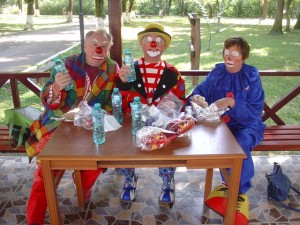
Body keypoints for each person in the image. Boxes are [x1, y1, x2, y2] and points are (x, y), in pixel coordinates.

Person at [25, 29, 119, 225]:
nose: (98, 47)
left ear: (109, 49)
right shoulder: (67, 65)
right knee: (44, 173)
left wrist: (126, 83)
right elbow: (48, 101)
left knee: (98, 161)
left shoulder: (112, 68)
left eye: (104, 44)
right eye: (93, 43)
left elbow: (116, 97)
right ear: (84, 46)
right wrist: (56, 88)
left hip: (90, 126)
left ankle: (83, 186)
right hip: (59, 124)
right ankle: (34, 219)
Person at [188, 37, 265, 225]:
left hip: (246, 124)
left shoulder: (252, 77)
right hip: (219, 123)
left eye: (235, 53)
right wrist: (196, 96)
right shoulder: (217, 72)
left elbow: (255, 111)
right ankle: (228, 185)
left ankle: (238, 192)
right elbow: (201, 89)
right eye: (226, 52)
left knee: (240, 143)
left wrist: (233, 103)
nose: (229, 57)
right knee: (207, 141)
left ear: (244, 56)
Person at [116, 23, 186, 203]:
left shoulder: (172, 73)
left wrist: (173, 106)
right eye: (148, 40)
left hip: (160, 122)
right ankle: (129, 179)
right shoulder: (130, 69)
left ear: (164, 47)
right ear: (142, 45)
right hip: (133, 120)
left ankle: (167, 182)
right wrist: (122, 82)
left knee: (167, 152)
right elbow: (119, 97)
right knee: (125, 150)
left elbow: (180, 100)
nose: (153, 44)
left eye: (159, 41)